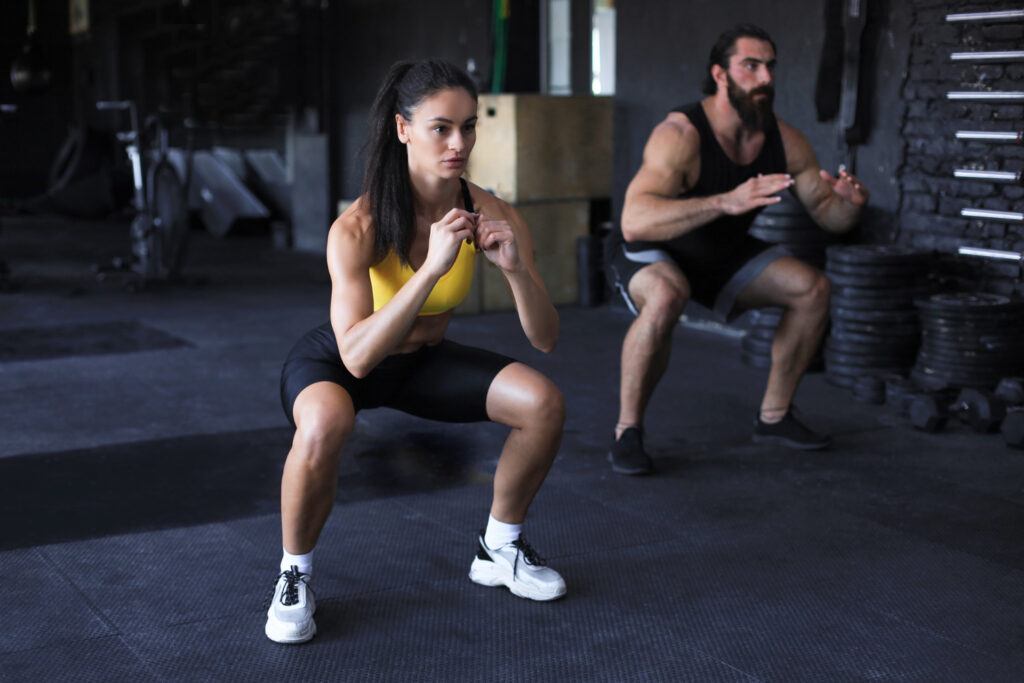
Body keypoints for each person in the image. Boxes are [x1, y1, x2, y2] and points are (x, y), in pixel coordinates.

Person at [266, 59, 567, 644]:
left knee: (542, 403)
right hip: (343, 359)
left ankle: (498, 550)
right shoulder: (357, 227)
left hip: (423, 362)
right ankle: (293, 574)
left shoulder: (493, 212)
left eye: (469, 127)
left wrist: (515, 273)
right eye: (441, 128)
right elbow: (355, 359)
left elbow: (546, 337)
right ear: (403, 129)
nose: (459, 143)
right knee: (326, 421)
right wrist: (431, 267)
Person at [605, 24, 868, 475]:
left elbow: (829, 216)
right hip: (654, 248)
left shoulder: (786, 142)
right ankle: (628, 431)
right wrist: (725, 202)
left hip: (719, 252)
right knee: (668, 297)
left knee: (812, 289)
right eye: (750, 66)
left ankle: (775, 416)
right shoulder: (680, 134)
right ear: (721, 74)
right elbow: (634, 221)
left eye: (770, 66)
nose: (764, 77)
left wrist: (851, 205)